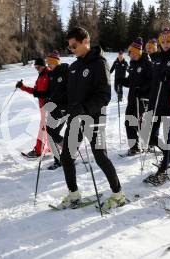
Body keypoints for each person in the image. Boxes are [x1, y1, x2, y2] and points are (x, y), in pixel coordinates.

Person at [57, 27, 125, 210]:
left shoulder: (99, 63)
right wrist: (59, 102)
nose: (71, 50)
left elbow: (104, 96)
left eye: (74, 45)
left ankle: (118, 194)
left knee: (99, 155)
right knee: (66, 156)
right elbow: (71, 95)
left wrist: (84, 108)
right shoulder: (74, 66)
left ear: (85, 40)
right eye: (69, 47)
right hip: (76, 118)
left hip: (95, 117)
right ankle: (74, 195)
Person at [143, 28, 170, 185]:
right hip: (156, 103)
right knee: (151, 136)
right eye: (163, 41)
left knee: (168, 137)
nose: (165, 44)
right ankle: (169, 153)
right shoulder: (157, 58)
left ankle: (163, 169)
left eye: (168, 41)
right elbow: (153, 81)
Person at [117, 37, 153, 156]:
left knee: (135, 122)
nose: (129, 55)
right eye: (129, 53)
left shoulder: (147, 63)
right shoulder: (132, 64)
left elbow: (152, 82)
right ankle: (134, 147)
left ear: (137, 52)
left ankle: (150, 140)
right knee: (129, 122)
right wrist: (122, 81)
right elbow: (131, 81)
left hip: (143, 99)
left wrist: (142, 89)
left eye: (131, 53)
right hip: (132, 98)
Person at [38, 50, 69, 170]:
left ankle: (64, 155)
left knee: (52, 133)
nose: (49, 64)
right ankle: (61, 157)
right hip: (53, 109)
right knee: (51, 133)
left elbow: (68, 91)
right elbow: (51, 92)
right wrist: (46, 99)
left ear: (56, 62)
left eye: (50, 62)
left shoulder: (64, 72)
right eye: (48, 62)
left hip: (63, 109)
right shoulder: (51, 75)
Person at [16, 58, 51, 158]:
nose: (37, 69)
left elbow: (51, 91)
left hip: (48, 106)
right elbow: (35, 91)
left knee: (43, 129)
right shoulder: (40, 76)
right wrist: (22, 87)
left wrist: (44, 95)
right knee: (47, 129)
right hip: (42, 107)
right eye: (36, 68)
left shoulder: (49, 74)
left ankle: (38, 151)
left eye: (38, 67)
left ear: (43, 65)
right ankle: (50, 147)